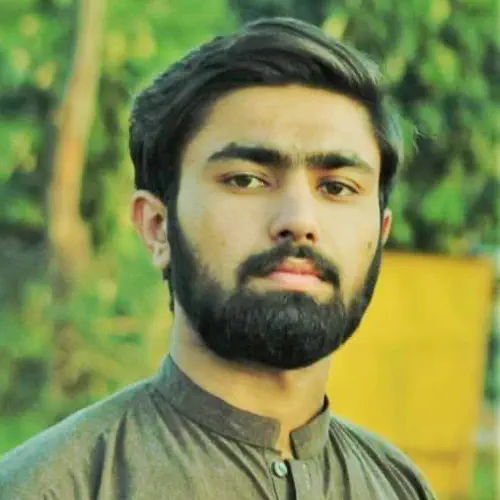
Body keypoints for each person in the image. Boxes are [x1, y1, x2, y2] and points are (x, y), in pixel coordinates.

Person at [0, 17, 436, 500]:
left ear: (380, 233)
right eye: (246, 179)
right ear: (157, 227)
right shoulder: (54, 487)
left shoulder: (398, 486)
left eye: (337, 187)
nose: (299, 220)